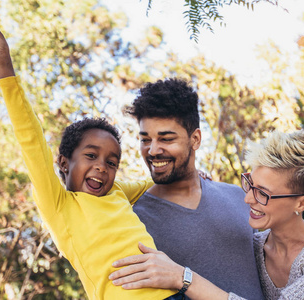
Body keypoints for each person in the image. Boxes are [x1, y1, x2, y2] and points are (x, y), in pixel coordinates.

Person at [0, 22, 178, 300]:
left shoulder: (116, 192)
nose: (101, 167)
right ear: (64, 163)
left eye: (112, 162)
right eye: (91, 156)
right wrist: (3, 66)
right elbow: (30, 140)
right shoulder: (60, 205)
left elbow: (149, 184)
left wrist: (188, 174)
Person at [110, 130, 304, 300]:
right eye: (250, 184)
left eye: (263, 193)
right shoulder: (254, 246)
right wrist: (197, 182)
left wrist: (183, 278)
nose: (248, 198)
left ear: (303, 201)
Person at [111, 79, 264, 299]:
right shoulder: (133, 220)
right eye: (145, 140)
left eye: (166, 138)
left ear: (195, 139)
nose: (153, 150)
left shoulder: (239, 197)